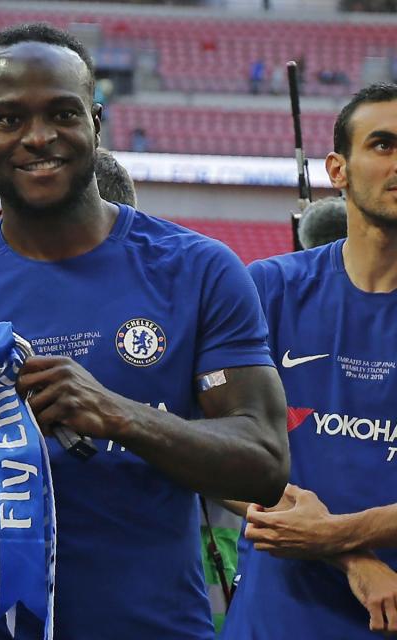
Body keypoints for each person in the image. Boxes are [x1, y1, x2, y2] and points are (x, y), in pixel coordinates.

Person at [0, 23, 289, 639]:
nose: (38, 137)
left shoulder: (196, 270)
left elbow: (265, 464)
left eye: (62, 113)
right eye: (10, 119)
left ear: (95, 121)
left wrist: (118, 414)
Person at [221, 82, 397, 639]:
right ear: (337, 170)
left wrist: (338, 532)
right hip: (277, 618)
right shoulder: (267, 289)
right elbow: (212, 451)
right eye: (384, 144)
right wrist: (351, 556)